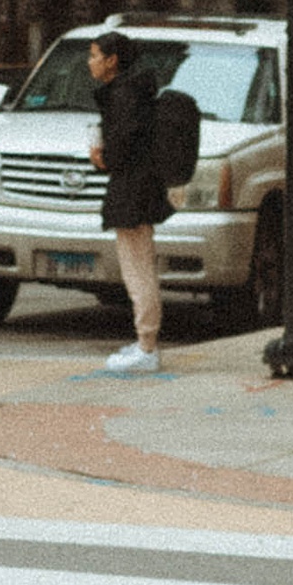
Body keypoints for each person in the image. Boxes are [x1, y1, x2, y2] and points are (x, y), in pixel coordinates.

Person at [88, 27, 194, 376]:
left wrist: (102, 157)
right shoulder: (132, 92)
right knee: (139, 264)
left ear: (112, 61)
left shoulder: (124, 97)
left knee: (138, 269)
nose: (90, 63)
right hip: (139, 189)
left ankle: (147, 345)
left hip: (132, 190)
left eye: (94, 56)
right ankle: (143, 341)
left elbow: (121, 150)